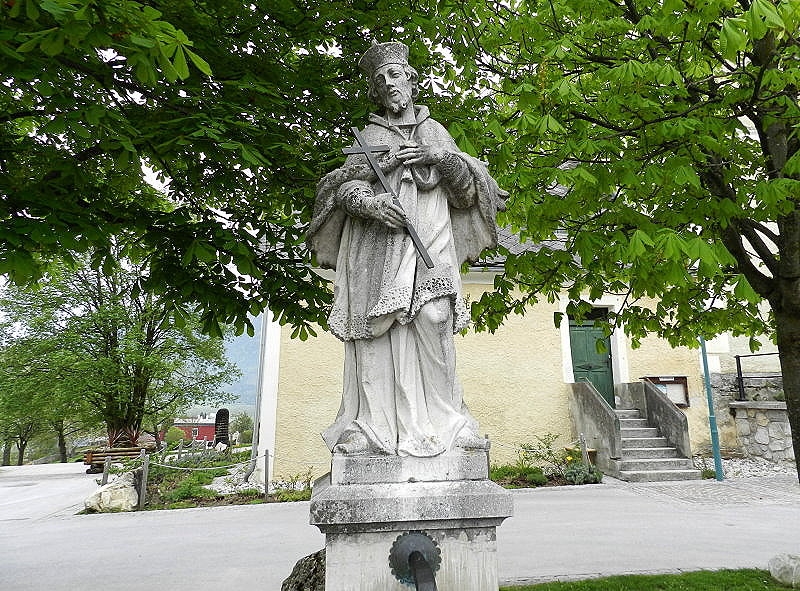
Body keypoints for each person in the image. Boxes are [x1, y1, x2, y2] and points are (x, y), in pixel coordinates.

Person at [308, 41, 506, 457]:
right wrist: (369, 202)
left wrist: (442, 158)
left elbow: (469, 192)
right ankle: (371, 428)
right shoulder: (370, 137)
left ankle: (450, 421)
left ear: (411, 80)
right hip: (377, 249)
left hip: (430, 239)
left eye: (394, 76)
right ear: (375, 92)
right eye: (379, 81)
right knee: (376, 333)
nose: (387, 85)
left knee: (435, 317)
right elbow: (342, 187)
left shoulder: (435, 131)